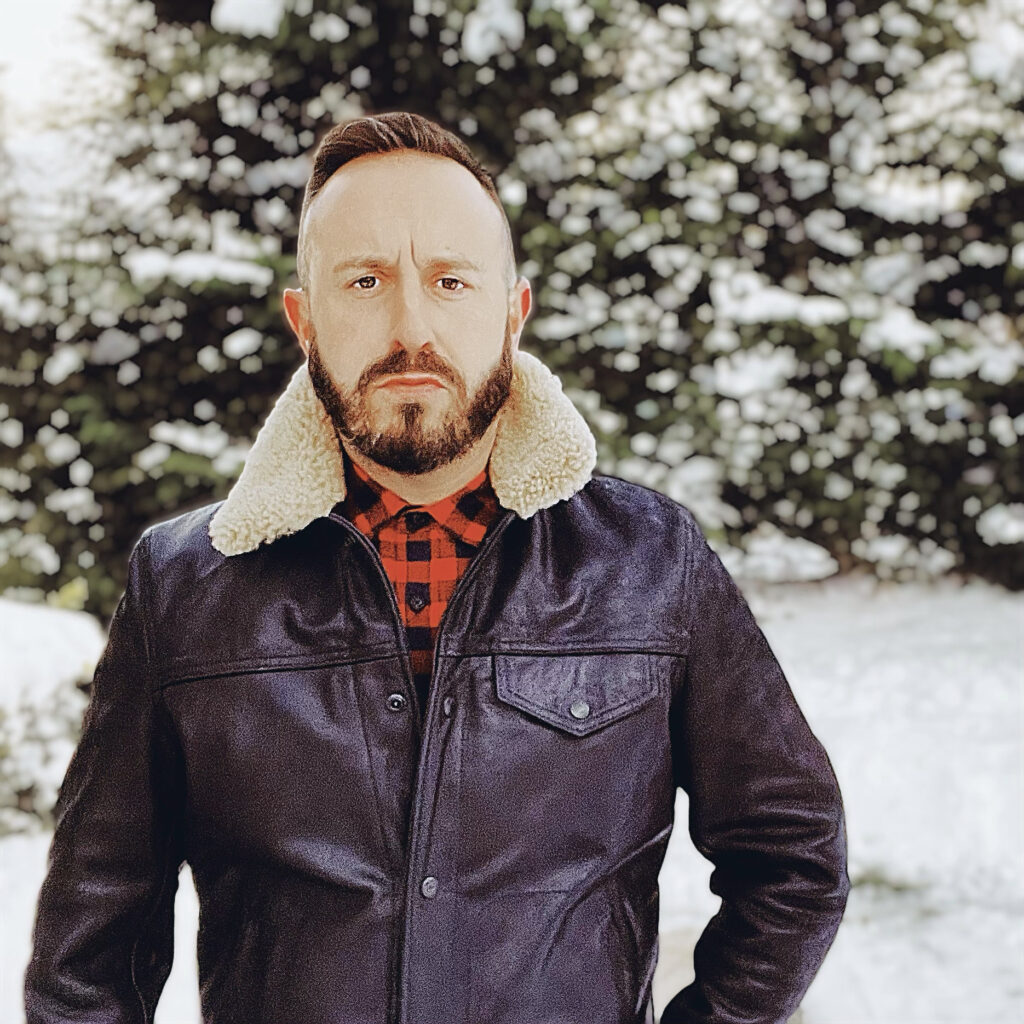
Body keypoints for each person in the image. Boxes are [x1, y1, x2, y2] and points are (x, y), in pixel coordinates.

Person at [24, 111, 849, 1024]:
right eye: (365, 280)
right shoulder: (182, 586)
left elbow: (794, 857)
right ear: (305, 319)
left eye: (450, 280)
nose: (409, 326)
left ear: (512, 311)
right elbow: (88, 955)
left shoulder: (653, 564)